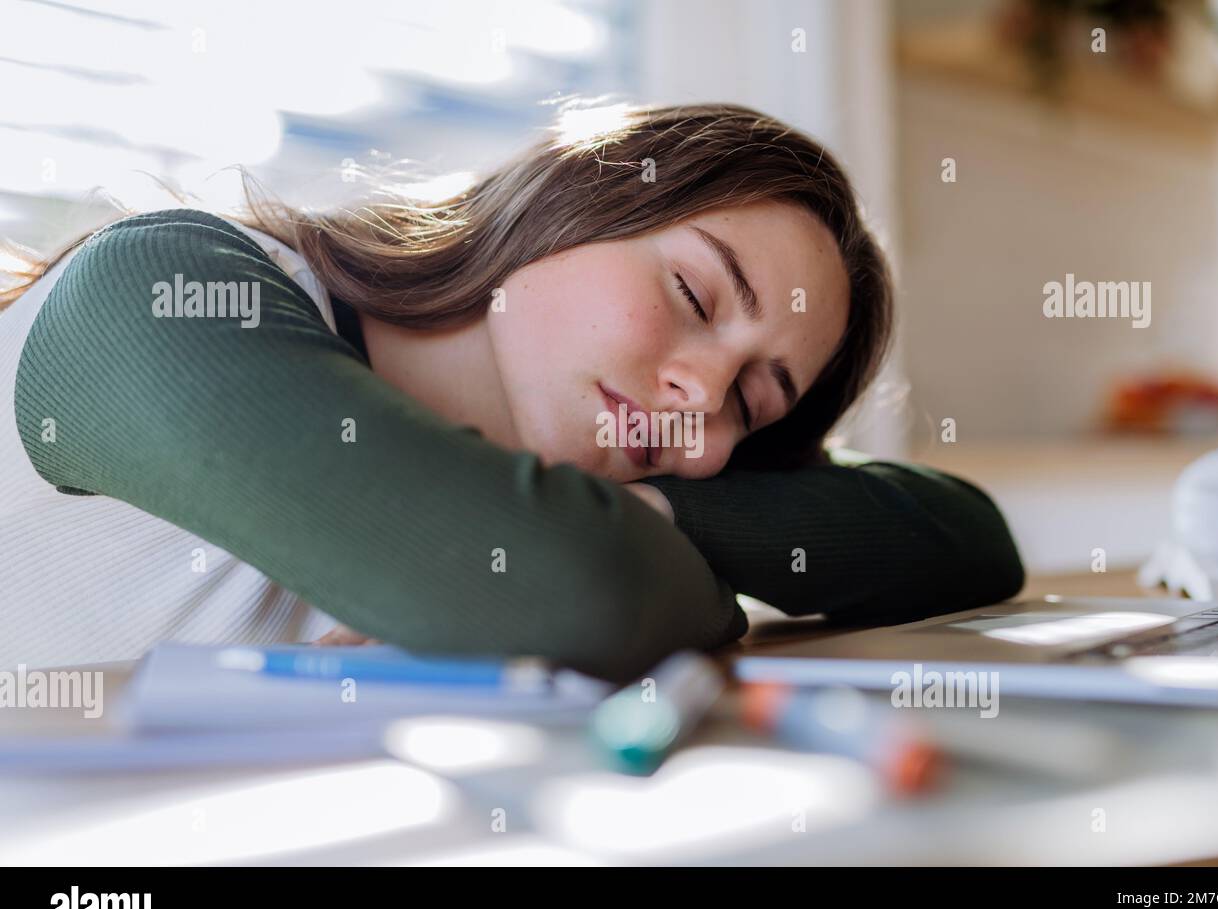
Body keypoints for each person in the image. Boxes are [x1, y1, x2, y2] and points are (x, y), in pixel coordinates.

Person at [0, 101, 1024, 682]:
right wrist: (629, 563)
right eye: (694, 292)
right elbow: (581, 591)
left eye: (754, 404)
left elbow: (964, 536)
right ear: (572, 198)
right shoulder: (166, 293)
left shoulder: (561, 476)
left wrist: (656, 513)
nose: (701, 399)